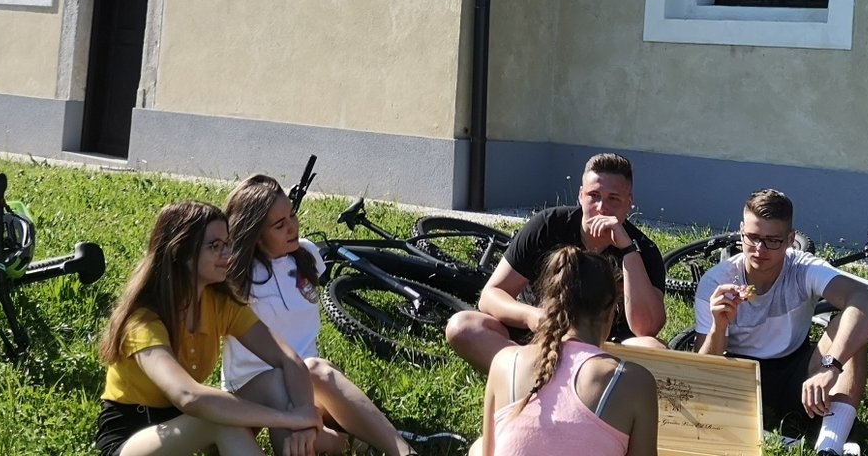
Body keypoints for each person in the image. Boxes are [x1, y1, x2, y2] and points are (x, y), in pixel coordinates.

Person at [222, 175, 458, 456]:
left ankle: (393, 449)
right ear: (255, 235)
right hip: (253, 389)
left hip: (307, 383)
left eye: (292, 215)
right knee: (303, 382)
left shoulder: (306, 254)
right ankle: (359, 441)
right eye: (279, 224)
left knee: (308, 386)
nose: (292, 227)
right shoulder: (235, 278)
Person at [95, 199, 322, 456]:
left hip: (188, 425)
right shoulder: (143, 320)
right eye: (215, 246)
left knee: (277, 382)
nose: (228, 255)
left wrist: (304, 416)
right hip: (133, 437)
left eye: (227, 244)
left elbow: (287, 359)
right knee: (220, 421)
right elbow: (188, 396)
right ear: (180, 253)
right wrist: (287, 419)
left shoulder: (219, 302)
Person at [690, 189, 868, 453]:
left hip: (795, 368)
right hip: (739, 374)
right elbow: (703, 368)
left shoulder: (802, 268)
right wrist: (718, 326)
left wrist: (831, 367)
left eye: (772, 241)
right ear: (741, 231)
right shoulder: (716, 281)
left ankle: (830, 447)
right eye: (752, 238)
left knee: (852, 333)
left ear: (791, 239)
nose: (759, 250)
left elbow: (866, 301)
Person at [445, 153, 667, 373]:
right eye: (594, 195)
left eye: (613, 199)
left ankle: (583, 385)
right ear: (580, 195)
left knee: (654, 349)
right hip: (539, 337)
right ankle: (525, 378)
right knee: (463, 326)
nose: (601, 208)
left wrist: (628, 250)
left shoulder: (643, 250)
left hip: (605, 349)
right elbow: (491, 296)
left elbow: (646, 327)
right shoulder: (548, 226)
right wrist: (533, 316)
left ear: (629, 203)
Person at [475, 245, 659, 456]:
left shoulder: (504, 362)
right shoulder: (634, 381)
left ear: (549, 305)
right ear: (611, 312)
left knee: (477, 447)